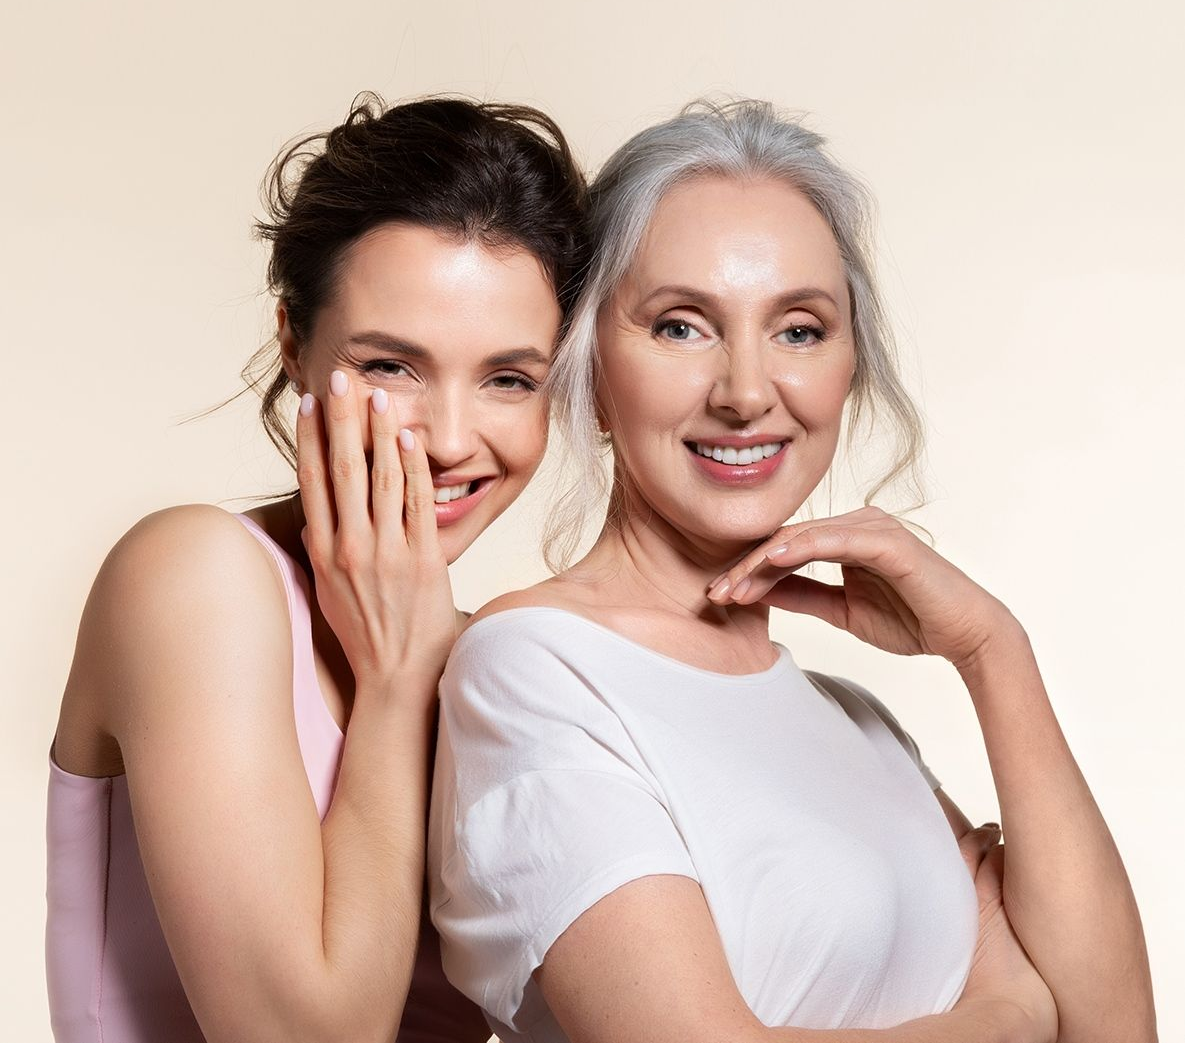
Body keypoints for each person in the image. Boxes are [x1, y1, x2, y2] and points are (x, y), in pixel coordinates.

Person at [427, 100, 1157, 1043]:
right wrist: (1012, 1015)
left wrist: (990, 650)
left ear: (849, 367)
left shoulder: (855, 724)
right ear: (590, 366)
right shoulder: (530, 667)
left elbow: (1116, 1027)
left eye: (800, 330)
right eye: (681, 325)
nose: (743, 392)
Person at [47, 93, 588, 1043]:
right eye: (392, 366)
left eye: (509, 378)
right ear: (295, 341)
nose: (452, 438)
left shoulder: (485, 654)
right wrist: (393, 683)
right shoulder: (195, 579)